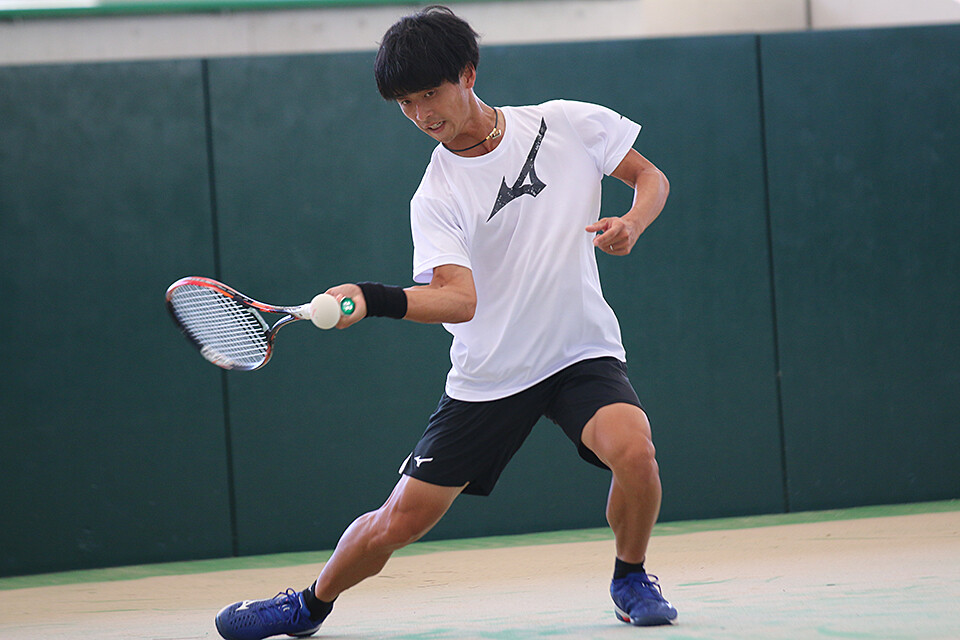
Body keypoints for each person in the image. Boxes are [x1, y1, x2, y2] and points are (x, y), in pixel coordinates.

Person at [214, 6, 675, 639]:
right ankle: (309, 604)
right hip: (489, 376)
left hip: (577, 351)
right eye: (405, 104)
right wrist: (371, 298)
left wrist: (632, 222)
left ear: (468, 73)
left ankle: (630, 576)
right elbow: (458, 301)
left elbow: (649, 176)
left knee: (635, 450)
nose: (421, 115)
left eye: (429, 94)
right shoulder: (436, 195)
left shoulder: (567, 123)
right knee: (399, 522)